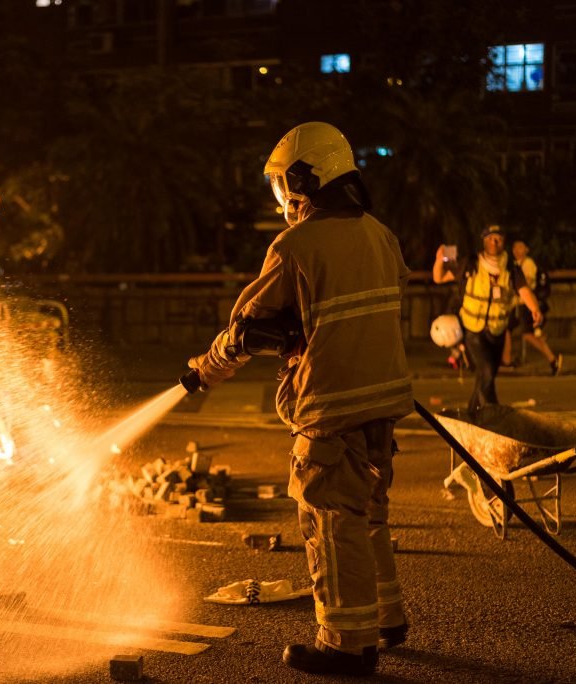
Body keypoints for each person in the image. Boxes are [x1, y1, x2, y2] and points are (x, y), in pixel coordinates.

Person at [186, 122, 412, 676]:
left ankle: (345, 645)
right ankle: (387, 618)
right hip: (383, 407)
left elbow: (245, 328)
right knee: (367, 516)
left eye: (284, 183)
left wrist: (204, 371)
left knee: (331, 524)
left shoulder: (295, 245)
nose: (284, 196)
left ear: (304, 178)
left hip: (330, 409)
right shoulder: (380, 235)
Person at [432, 225, 543, 415]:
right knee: (487, 371)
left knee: (486, 376)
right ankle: (489, 411)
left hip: (497, 331)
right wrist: (439, 258)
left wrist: (535, 309)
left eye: (498, 238)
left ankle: (475, 413)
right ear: (484, 241)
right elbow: (439, 277)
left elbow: (523, 290)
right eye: (490, 238)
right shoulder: (470, 263)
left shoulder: (510, 268)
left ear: (503, 242)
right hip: (472, 330)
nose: (494, 241)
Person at [502, 239, 562, 375]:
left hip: (525, 305)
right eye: (515, 248)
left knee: (527, 335)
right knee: (506, 329)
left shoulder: (528, 264)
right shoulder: (515, 264)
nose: (517, 250)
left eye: (520, 247)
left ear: (526, 250)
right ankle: (506, 361)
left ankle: (553, 359)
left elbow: (526, 284)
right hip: (516, 305)